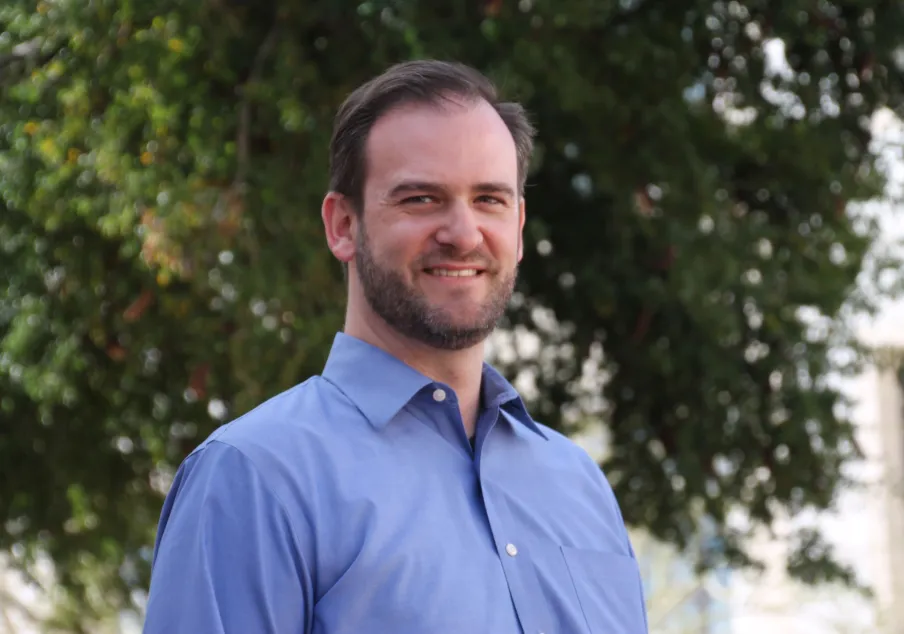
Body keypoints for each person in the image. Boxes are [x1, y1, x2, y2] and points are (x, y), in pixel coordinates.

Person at [143, 60, 649, 634]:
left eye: (490, 200)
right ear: (342, 225)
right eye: (420, 199)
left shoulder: (577, 484)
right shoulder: (252, 479)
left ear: (520, 224)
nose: (463, 233)